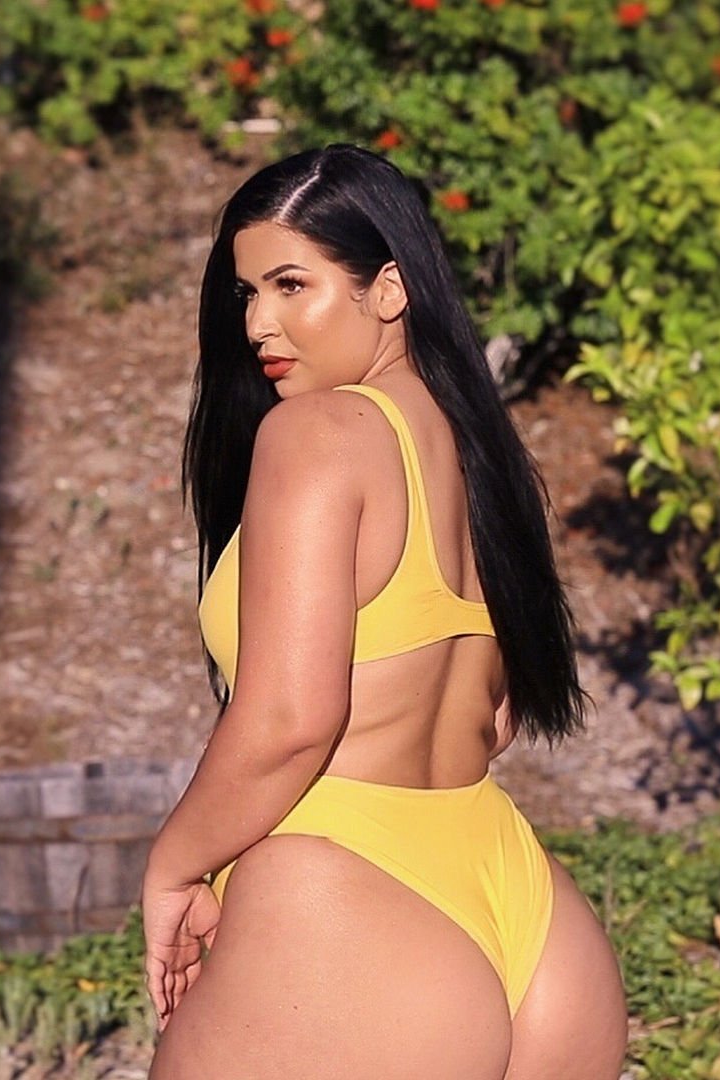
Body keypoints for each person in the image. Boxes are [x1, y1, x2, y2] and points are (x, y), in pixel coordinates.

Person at [140, 143, 628, 1079]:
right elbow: (495, 720)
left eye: (293, 285)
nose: (259, 323)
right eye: (247, 294)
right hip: (524, 910)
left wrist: (173, 866)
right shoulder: (483, 460)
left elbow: (291, 721)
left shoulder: (318, 434)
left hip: (344, 904)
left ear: (390, 289)